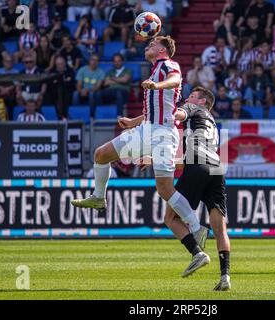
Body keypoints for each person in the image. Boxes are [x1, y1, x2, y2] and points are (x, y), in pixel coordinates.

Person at [70, 36, 208, 253]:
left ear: (163, 49)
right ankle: (98, 197)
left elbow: (174, 80)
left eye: (152, 44)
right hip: (147, 131)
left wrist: (157, 84)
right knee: (101, 154)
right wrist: (132, 122)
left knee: (165, 189)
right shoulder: (154, 70)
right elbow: (153, 110)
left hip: (163, 133)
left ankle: (196, 227)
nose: (147, 46)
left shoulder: (169, 65)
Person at [139, 87, 231, 290]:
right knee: (220, 227)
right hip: (217, 167)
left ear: (203, 101)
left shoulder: (192, 109)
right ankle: (225, 277)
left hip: (198, 165)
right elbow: (186, 161)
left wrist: (169, 111)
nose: (186, 99)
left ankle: (197, 252)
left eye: (191, 97)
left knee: (170, 218)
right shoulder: (212, 123)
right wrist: (156, 159)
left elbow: (175, 115)